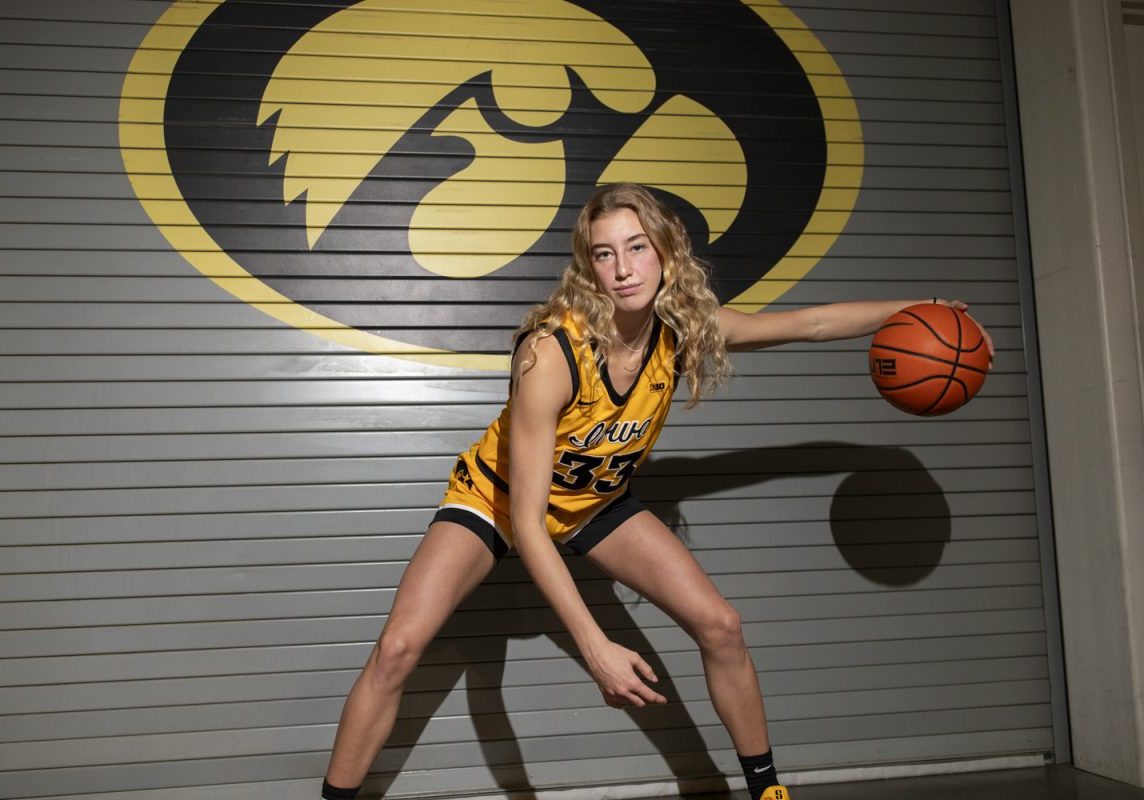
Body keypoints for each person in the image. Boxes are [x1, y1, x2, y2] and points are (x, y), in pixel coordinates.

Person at [320, 183, 994, 800]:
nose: (623, 267)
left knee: (721, 626)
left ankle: (767, 791)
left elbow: (810, 324)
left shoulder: (681, 331)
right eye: (605, 253)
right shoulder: (549, 354)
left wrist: (925, 311)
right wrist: (594, 645)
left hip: (593, 504)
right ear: (590, 267)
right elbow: (527, 525)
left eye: (638, 247)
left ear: (667, 252)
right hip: (497, 501)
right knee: (399, 651)